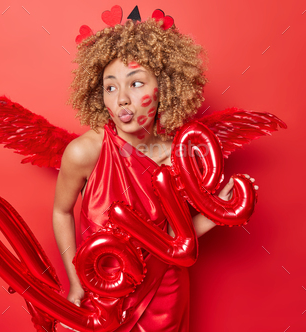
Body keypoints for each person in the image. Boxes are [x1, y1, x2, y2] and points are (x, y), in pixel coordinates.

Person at [52, 18, 258, 331]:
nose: (121, 98)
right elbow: (61, 210)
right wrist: (76, 283)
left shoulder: (184, 154)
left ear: (164, 86)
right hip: (103, 290)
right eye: (110, 87)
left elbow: (177, 237)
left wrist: (219, 212)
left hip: (166, 292)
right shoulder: (85, 152)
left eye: (135, 83)